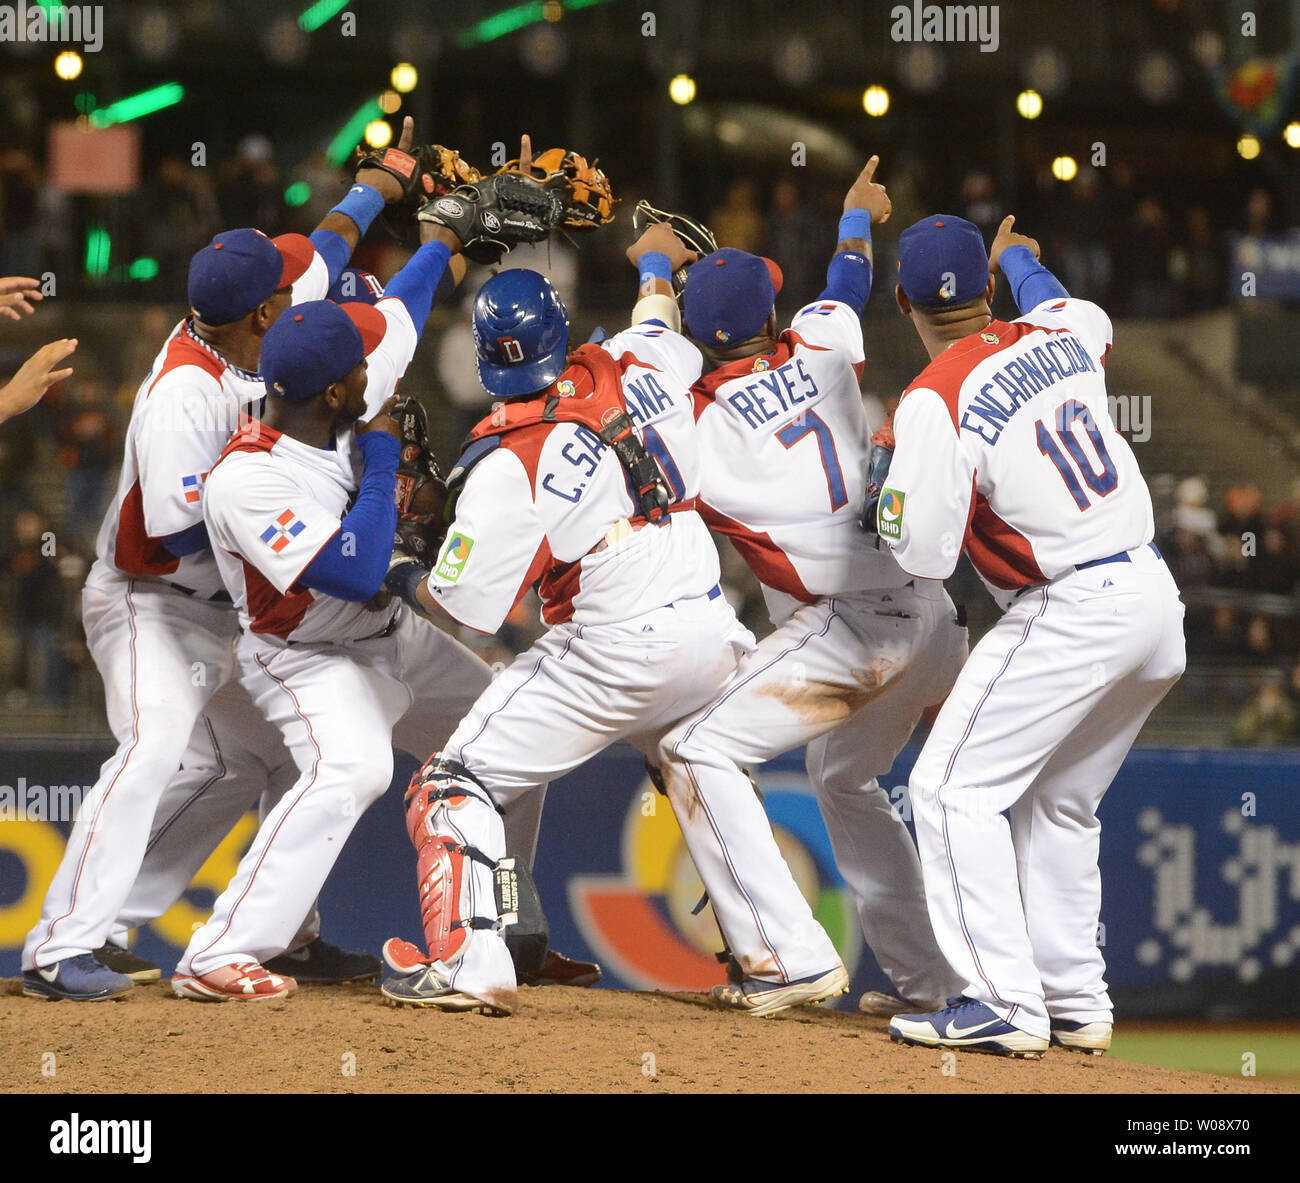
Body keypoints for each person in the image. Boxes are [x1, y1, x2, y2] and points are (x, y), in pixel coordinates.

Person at [377, 224, 848, 1018]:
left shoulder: (508, 461)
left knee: (451, 780)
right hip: (709, 619)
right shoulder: (642, 357)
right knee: (695, 758)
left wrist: (398, 573)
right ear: (563, 332)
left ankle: (468, 959)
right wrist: (656, 256)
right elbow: (659, 309)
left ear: (486, 359)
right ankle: (790, 954)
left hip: (616, 645)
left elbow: (464, 606)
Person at [21, 122, 419, 1002]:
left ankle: (278, 933)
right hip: (146, 600)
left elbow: (323, 248)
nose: (296, 289)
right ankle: (60, 948)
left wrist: (377, 186)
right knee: (159, 745)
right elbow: (174, 526)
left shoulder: (248, 313)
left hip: (221, 610)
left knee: (277, 758)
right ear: (259, 315)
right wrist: (301, 520)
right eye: (281, 293)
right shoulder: (183, 395)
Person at [659, 156, 967, 1015]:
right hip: (932, 613)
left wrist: (654, 285)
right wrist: (856, 215)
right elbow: (848, 278)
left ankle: (787, 954)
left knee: (695, 748)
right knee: (842, 779)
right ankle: (938, 986)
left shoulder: (697, 429)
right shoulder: (826, 343)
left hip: (852, 631)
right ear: (768, 312)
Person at [880, 213, 1185, 1057]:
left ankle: (1001, 1000)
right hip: (1153, 600)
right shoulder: (1061, 330)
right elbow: (1077, 308)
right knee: (1058, 800)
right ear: (987, 289)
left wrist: (890, 494)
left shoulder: (933, 398)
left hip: (1072, 604)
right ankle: (1076, 998)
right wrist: (1023, 260)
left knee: (948, 788)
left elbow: (926, 555)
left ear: (901, 297)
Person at [170, 212, 489, 1002]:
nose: (375, 375)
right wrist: (381, 461)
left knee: (498, 729)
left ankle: (502, 931)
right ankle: (219, 950)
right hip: (308, 654)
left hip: (391, 633)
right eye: (359, 375)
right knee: (353, 765)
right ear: (335, 390)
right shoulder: (247, 478)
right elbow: (352, 570)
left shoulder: (337, 387)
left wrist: (446, 238)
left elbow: (403, 313)